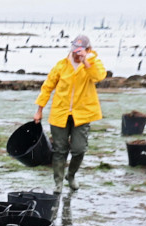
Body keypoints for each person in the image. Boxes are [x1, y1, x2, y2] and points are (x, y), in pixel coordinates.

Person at [33, 34, 106, 194]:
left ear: (87, 50)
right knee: (60, 149)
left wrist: (86, 61)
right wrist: (39, 110)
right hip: (60, 113)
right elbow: (47, 87)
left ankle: (71, 175)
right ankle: (58, 181)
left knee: (79, 149)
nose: (76, 53)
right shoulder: (61, 65)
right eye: (74, 50)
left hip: (83, 114)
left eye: (80, 50)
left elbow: (98, 77)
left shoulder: (93, 63)